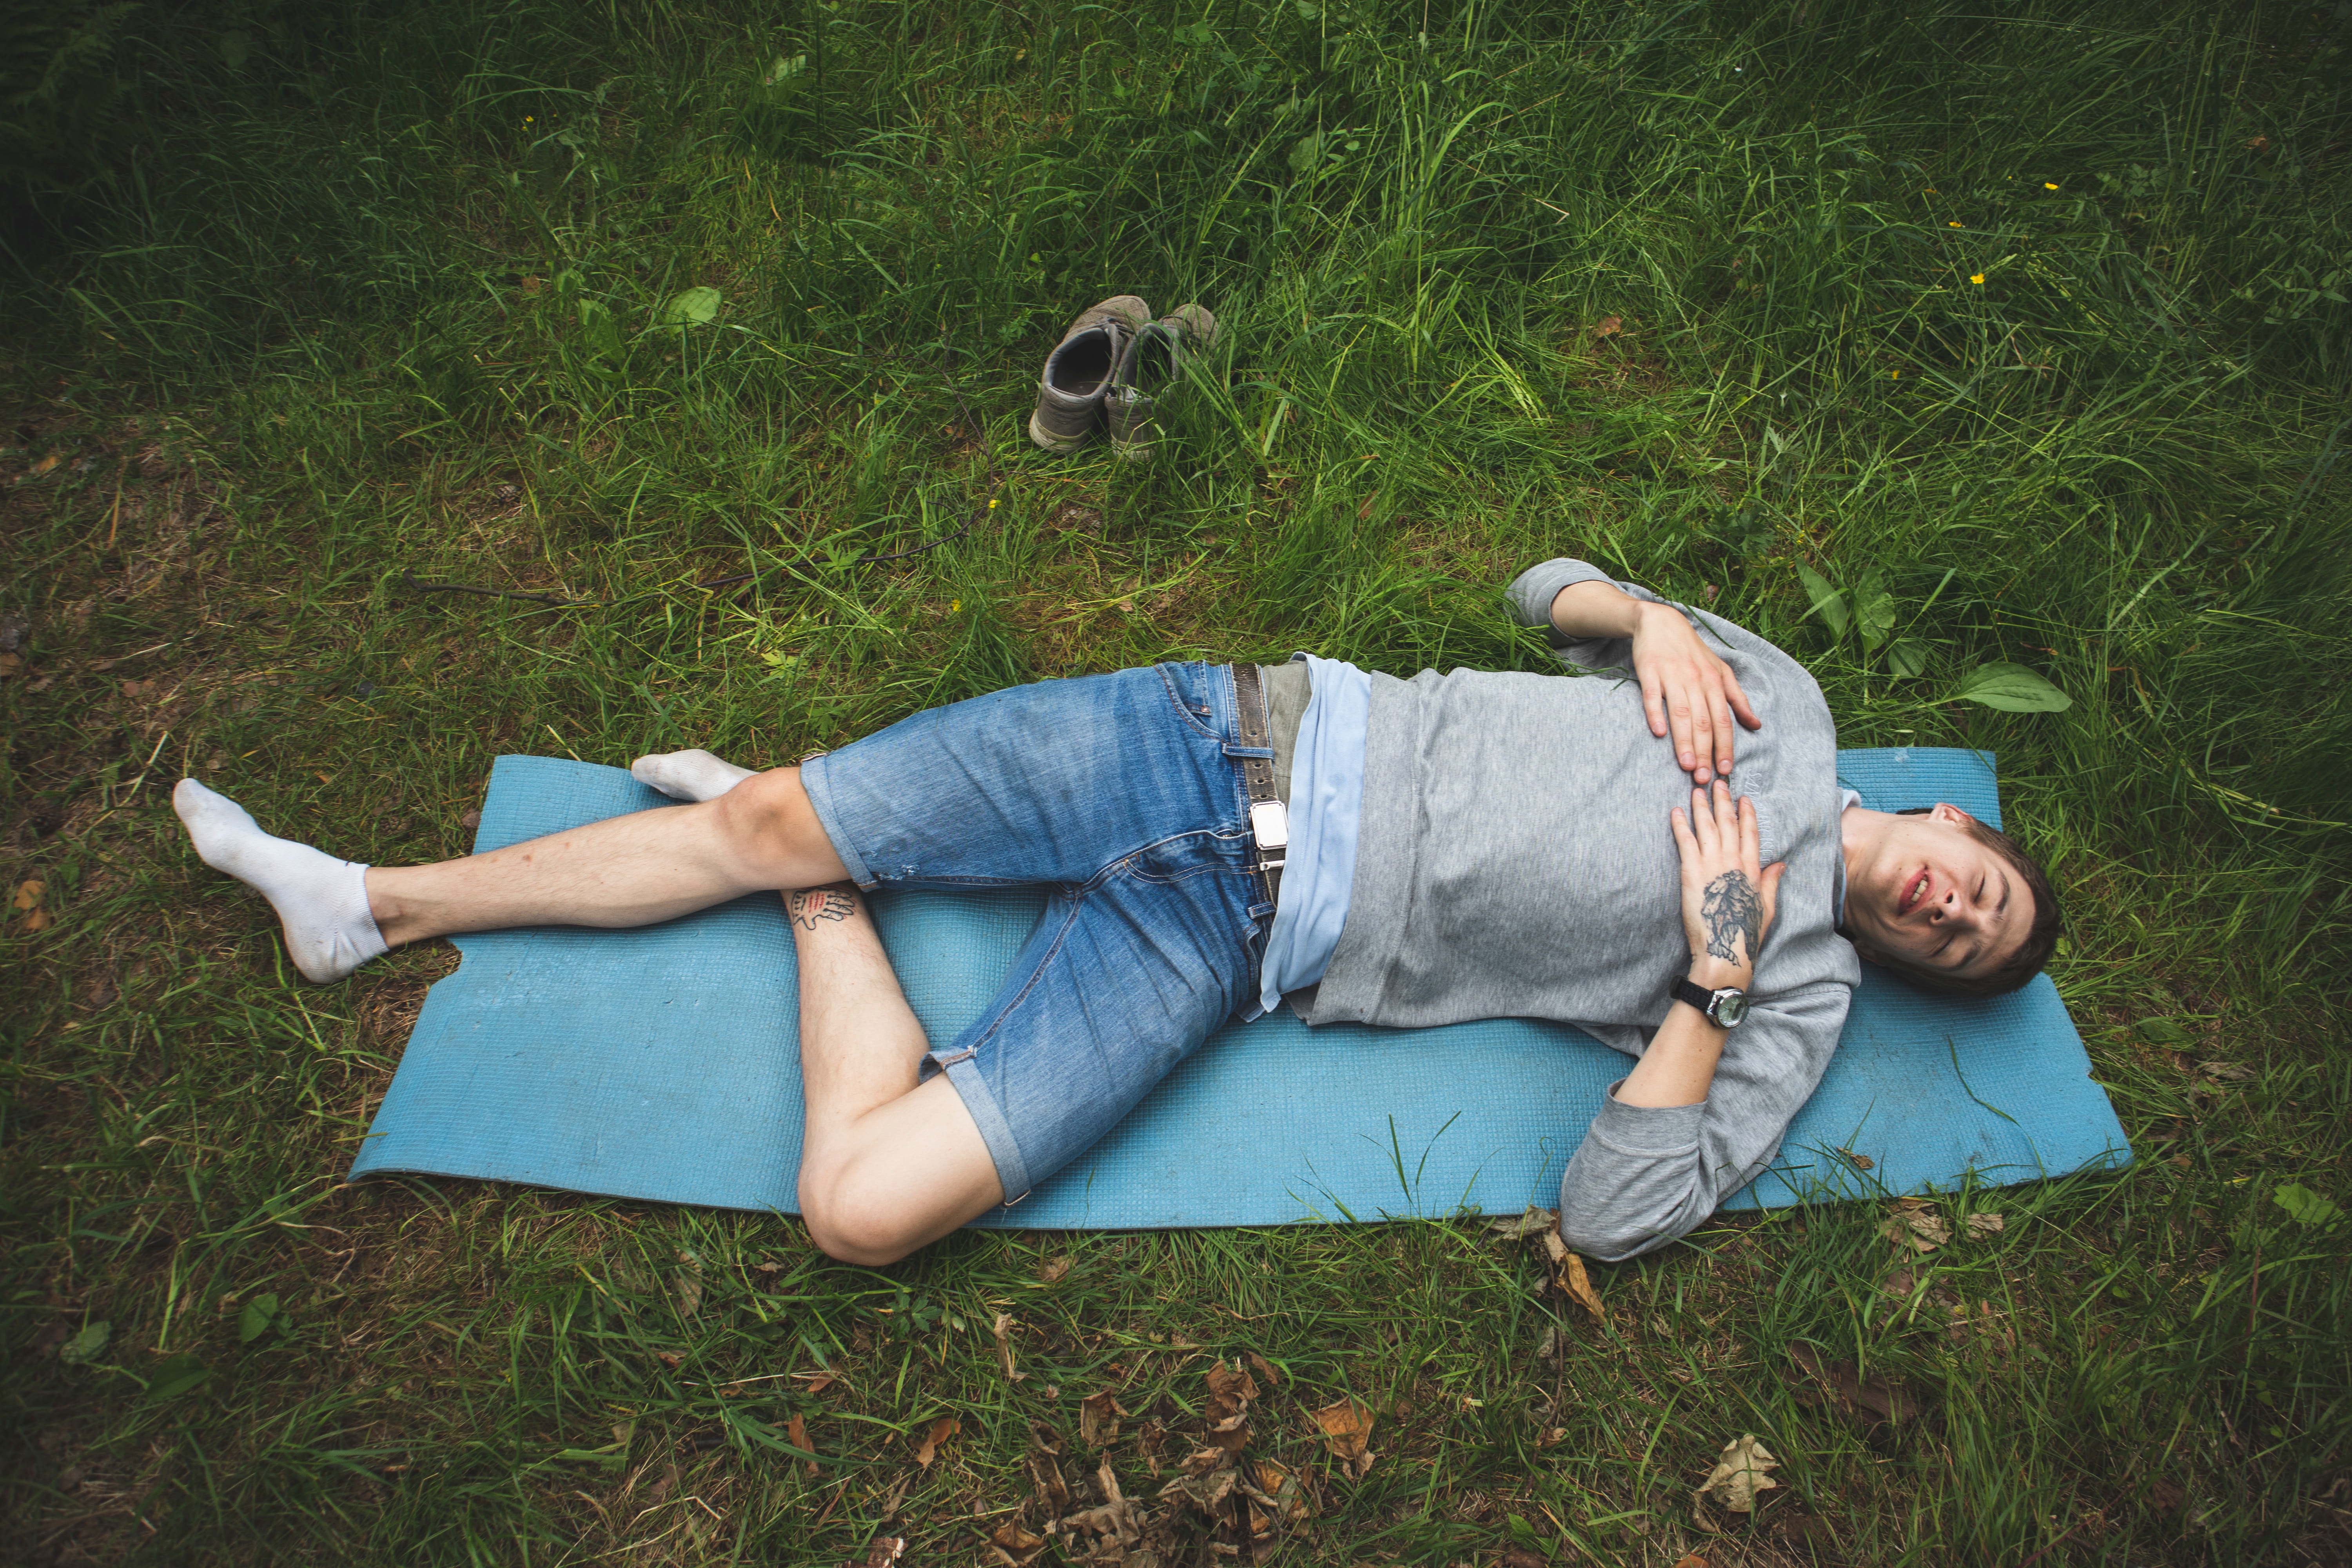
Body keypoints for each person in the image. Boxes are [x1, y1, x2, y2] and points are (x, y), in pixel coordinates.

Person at [171, 558, 2060, 1265]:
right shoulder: (1788, 710)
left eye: (1966, 939)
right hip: (1208, 736)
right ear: (1953, 823)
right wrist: (1642, 616)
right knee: (753, 806)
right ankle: (368, 901)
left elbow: (1616, 1207)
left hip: (1236, 948)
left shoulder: (1794, 993)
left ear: (1917, 958)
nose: (1961, 905)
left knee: (859, 1210)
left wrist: (1716, 979)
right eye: (1986, 883)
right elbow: (1533, 586)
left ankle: (832, 899)